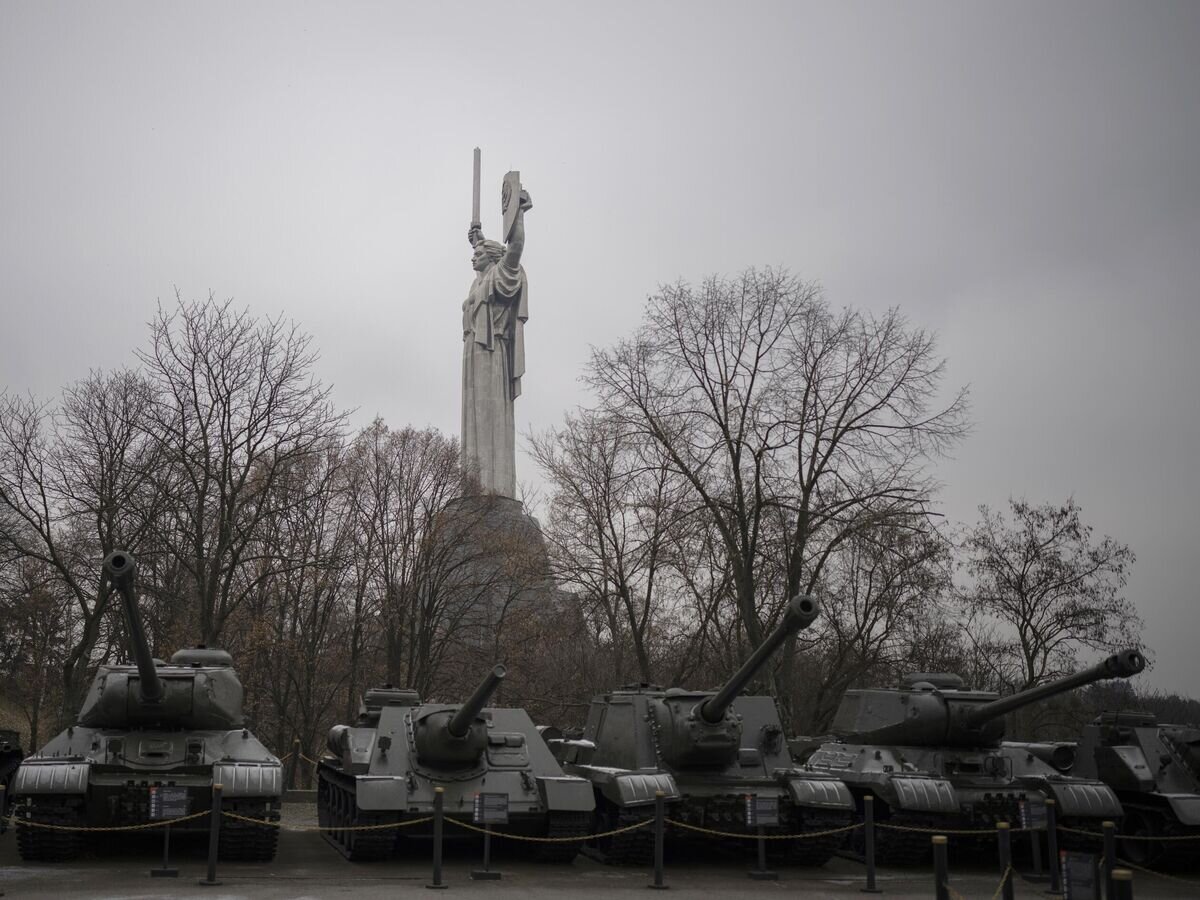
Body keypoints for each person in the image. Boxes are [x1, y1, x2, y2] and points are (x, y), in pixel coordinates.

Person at [461, 188, 531, 497]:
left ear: (490, 259)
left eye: (477, 253)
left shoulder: (503, 275)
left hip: (493, 357)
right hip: (474, 360)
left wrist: (518, 215)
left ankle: (495, 491)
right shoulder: (479, 282)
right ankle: (474, 489)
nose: (472, 255)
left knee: (492, 421)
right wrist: (478, 238)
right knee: (474, 423)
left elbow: (514, 247)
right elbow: (485, 250)